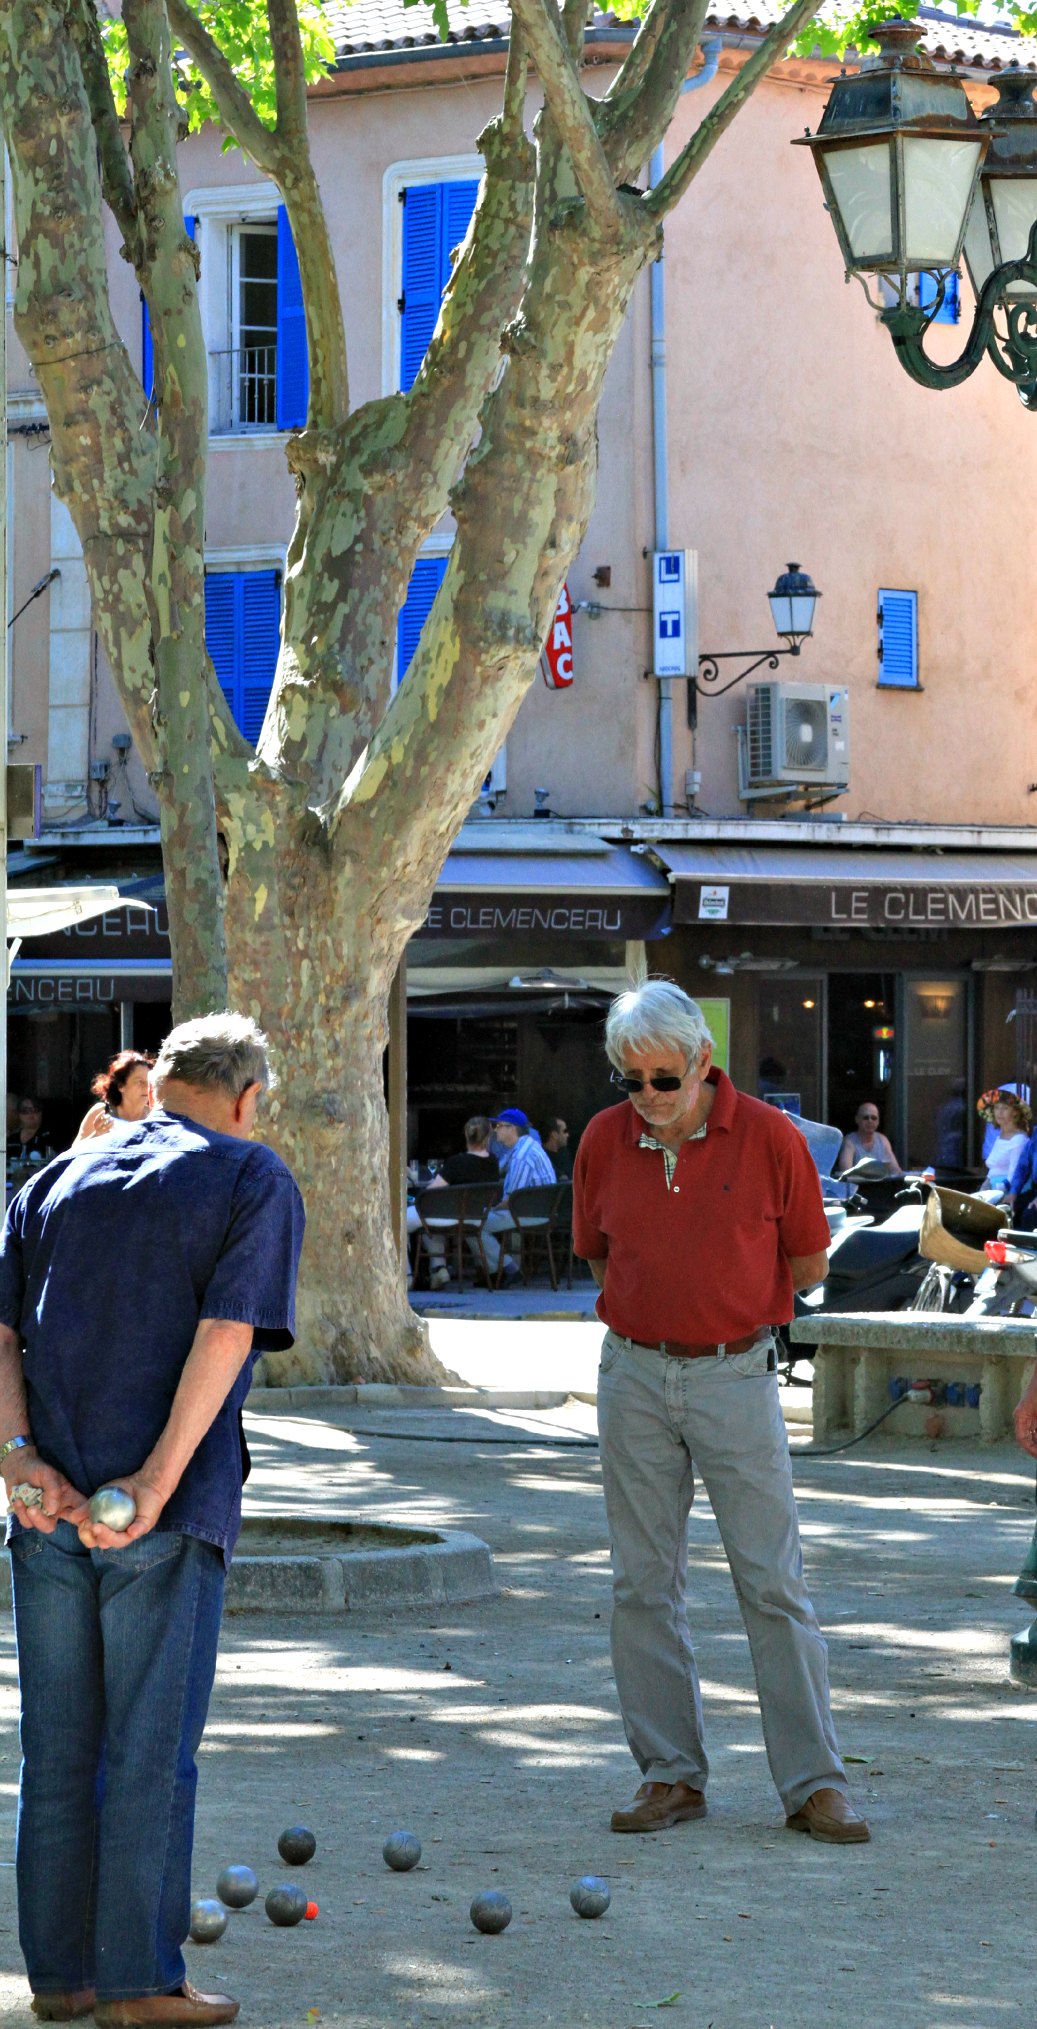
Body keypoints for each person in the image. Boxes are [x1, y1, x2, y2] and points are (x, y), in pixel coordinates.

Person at [0, 1011, 305, 2028]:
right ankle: (140, 1982)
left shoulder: (51, 1179)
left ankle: (62, 1976)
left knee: (58, 1745)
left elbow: (2, 1333)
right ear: (248, 1097)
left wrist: (21, 1461)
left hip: (46, 1501)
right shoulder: (250, 1176)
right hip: (163, 1512)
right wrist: (159, 1482)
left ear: (155, 1084)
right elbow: (226, 1334)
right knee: (146, 1748)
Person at [573, 979, 868, 1845]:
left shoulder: (772, 1137)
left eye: (663, 1079)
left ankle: (814, 1782)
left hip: (736, 1374)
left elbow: (809, 1264)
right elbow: (600, 1259)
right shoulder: (602, 1138)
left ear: (703, 1060)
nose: (647, 1099)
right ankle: (669, 1773)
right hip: (631, 1373)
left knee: (772, 1582)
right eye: (630, 1081)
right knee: (640, 1582)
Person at [406, 1118, 500, 1289]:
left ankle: (406, 1275)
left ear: (466, 1135)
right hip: (475, 1218)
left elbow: (429, 1192)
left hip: (449, 1216)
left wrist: (414, 1183)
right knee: (429, 1225)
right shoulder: (493, 1162)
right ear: (488, 1137)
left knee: (398, 1220)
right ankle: (438, 1269)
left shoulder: (456, 1162)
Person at [480, 1108, 557, 1284]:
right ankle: (495, 1273)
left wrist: (490, 1209)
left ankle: (508, 1269)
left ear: (511, 1128)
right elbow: (498, 1169)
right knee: (475, 1220)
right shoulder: (525, 1146)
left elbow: (511, 1200)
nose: (494, 1130)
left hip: (530, 1213)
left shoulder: (522, 1155)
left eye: (498, 1126)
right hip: (538, 1210)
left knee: (474, 1223)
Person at [73, 1051, 155, 1145]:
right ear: (121, 1086)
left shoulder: (154, 1116)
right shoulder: (101, 1112)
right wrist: (96, 1135)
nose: (146, 1087)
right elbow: (73, 1153)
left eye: (149, 1081)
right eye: (139, 1082)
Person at [978, 1089, 1031, 1193]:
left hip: (1010, 1193)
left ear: (1015, 1112)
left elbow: (1015, 1175)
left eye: (1005, 1108)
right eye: (997, 1108)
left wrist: (992, 1193)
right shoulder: (1000, 1137)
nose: (1000, 1112)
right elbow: (993, 1169)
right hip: (993, 1189)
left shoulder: (1019, 1139)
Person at [835, 1102, 902, 1177]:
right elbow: (845, 1172)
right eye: (866, 1118)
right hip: (858, 1187)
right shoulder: (850, 1141)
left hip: (879, 1185)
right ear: (857, 1120)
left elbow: (895, 1170)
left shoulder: (883, 1140)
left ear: (878, 1122)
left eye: (874, 1118)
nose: (870, 1121)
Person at [7, 1097, 54, 1167]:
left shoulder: (51, 1137)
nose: (31, 1114)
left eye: (35, 1110)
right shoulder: (11, 1139)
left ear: (41, 1113)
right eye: (25, 1111)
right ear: (18, 1114)